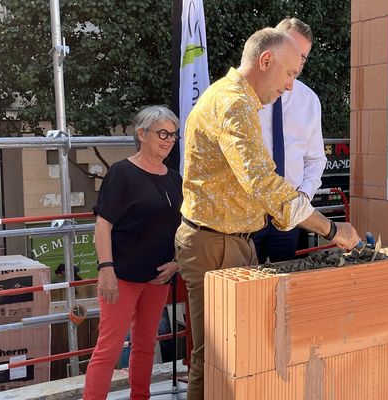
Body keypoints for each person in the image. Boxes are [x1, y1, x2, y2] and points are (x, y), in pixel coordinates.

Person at [175, 27, 361, 400]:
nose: (291, 86)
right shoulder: (234, 104)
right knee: (214, 358)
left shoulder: (235, 99)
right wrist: (331, 230)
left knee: (231, 355)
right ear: (265, 61)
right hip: (217, 243)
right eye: (290, 73)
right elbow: (263, 182)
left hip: (230, 240)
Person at [83, 105, 183, 400]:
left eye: (173, 135)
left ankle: (141, 396)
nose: (168, 140)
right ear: (142, 133)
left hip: (158, 279)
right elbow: (103, 226)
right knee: (109, 348)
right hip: (122, 277)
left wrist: (177, 263)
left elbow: (181, 228)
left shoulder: (175, 179)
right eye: (162, 133)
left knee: (145, 343)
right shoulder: (122, 173)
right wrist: (106, 269)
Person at [253, 17, 327, 263]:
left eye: (304, 56)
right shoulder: (246, 95)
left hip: (290, 216)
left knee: (282, 287)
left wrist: (303, 198)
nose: (298, 59)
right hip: (248, 213)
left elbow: (316, 159)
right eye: (293, 49)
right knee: (247, 290)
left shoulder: (309, 101)